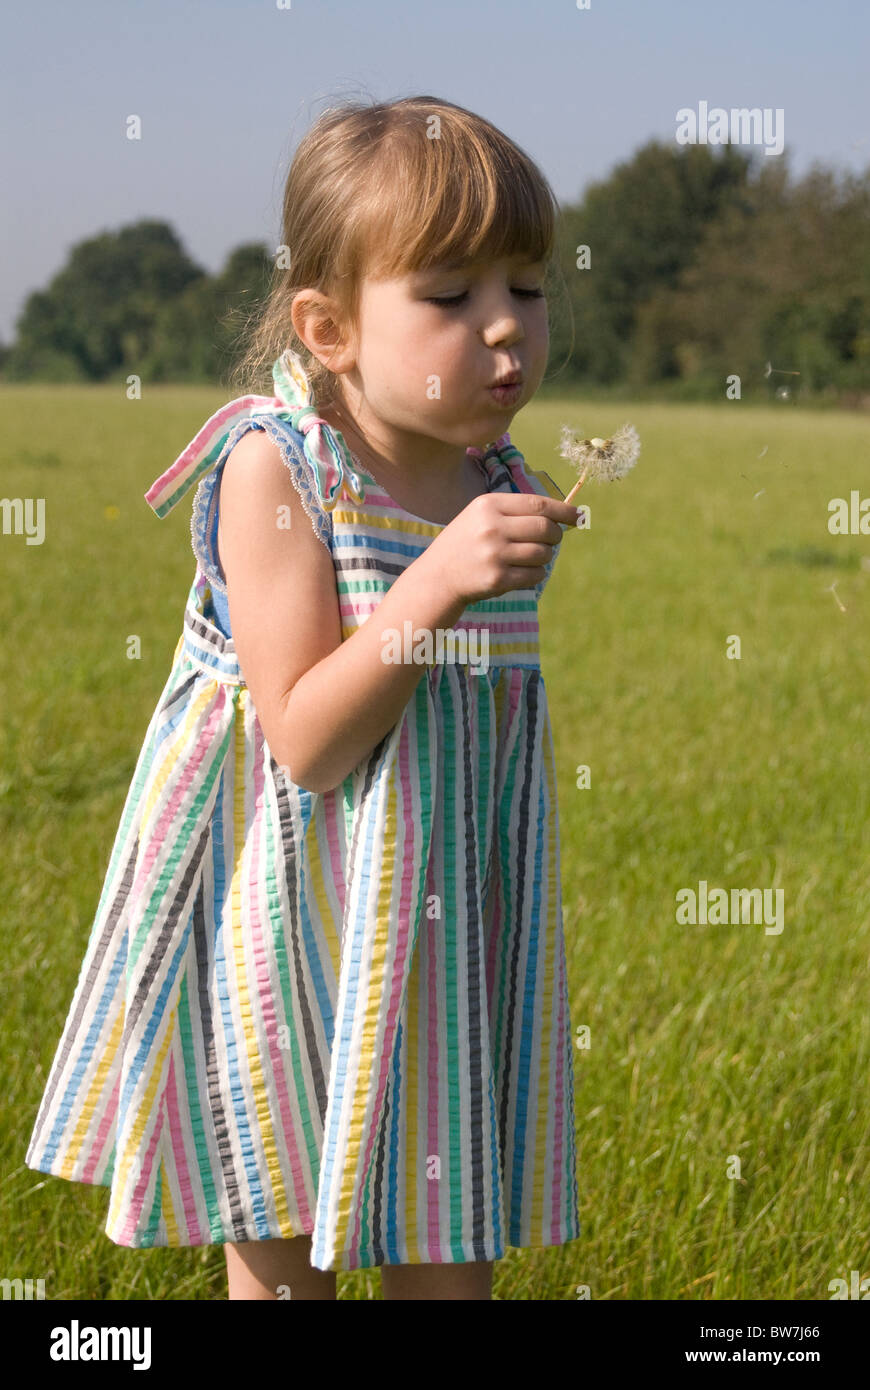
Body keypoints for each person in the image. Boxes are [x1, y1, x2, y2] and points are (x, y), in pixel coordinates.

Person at [25, 94, 583, 1301]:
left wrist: (476, 563)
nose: (504, 332)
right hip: (282, 922)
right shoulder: (277, 468)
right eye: (449, 297)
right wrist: (439, 580)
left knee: (448, 1230)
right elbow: (309, 742)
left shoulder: (493, 475)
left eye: (526, 289)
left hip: (443, 927)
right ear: (329, 328)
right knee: (280, 1241)